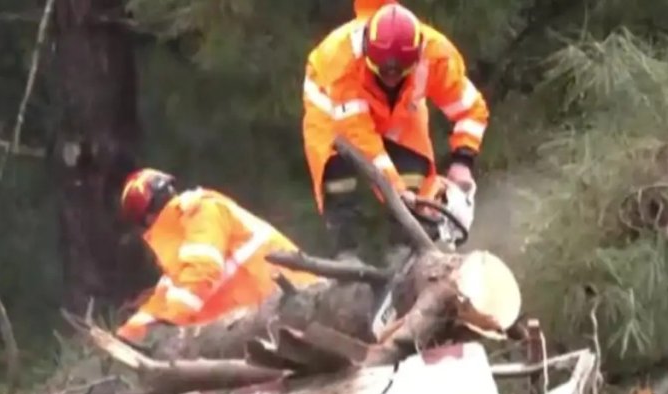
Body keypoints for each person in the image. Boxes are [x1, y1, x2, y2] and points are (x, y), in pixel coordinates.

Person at [301, 2, 490, 262]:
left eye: (399, 73)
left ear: (416, 57)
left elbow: (471, 109)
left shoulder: (437, 57)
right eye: (383, 72)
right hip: (334, 113)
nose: (390, 80)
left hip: (399, 113)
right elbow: (363, 142)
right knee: (339, 178)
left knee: (415, 176)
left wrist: (463, 162)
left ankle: (406, 253)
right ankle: (347, 255)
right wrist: (397, 191)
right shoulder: (342, 65)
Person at [115, 168, 319, 343]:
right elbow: (167, 295)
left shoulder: (202, 211)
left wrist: (170, 319)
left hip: (295, 305)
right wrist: (128, 334)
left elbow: (202, 270)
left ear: (147, 219)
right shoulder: (186, 234)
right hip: (272, 313)